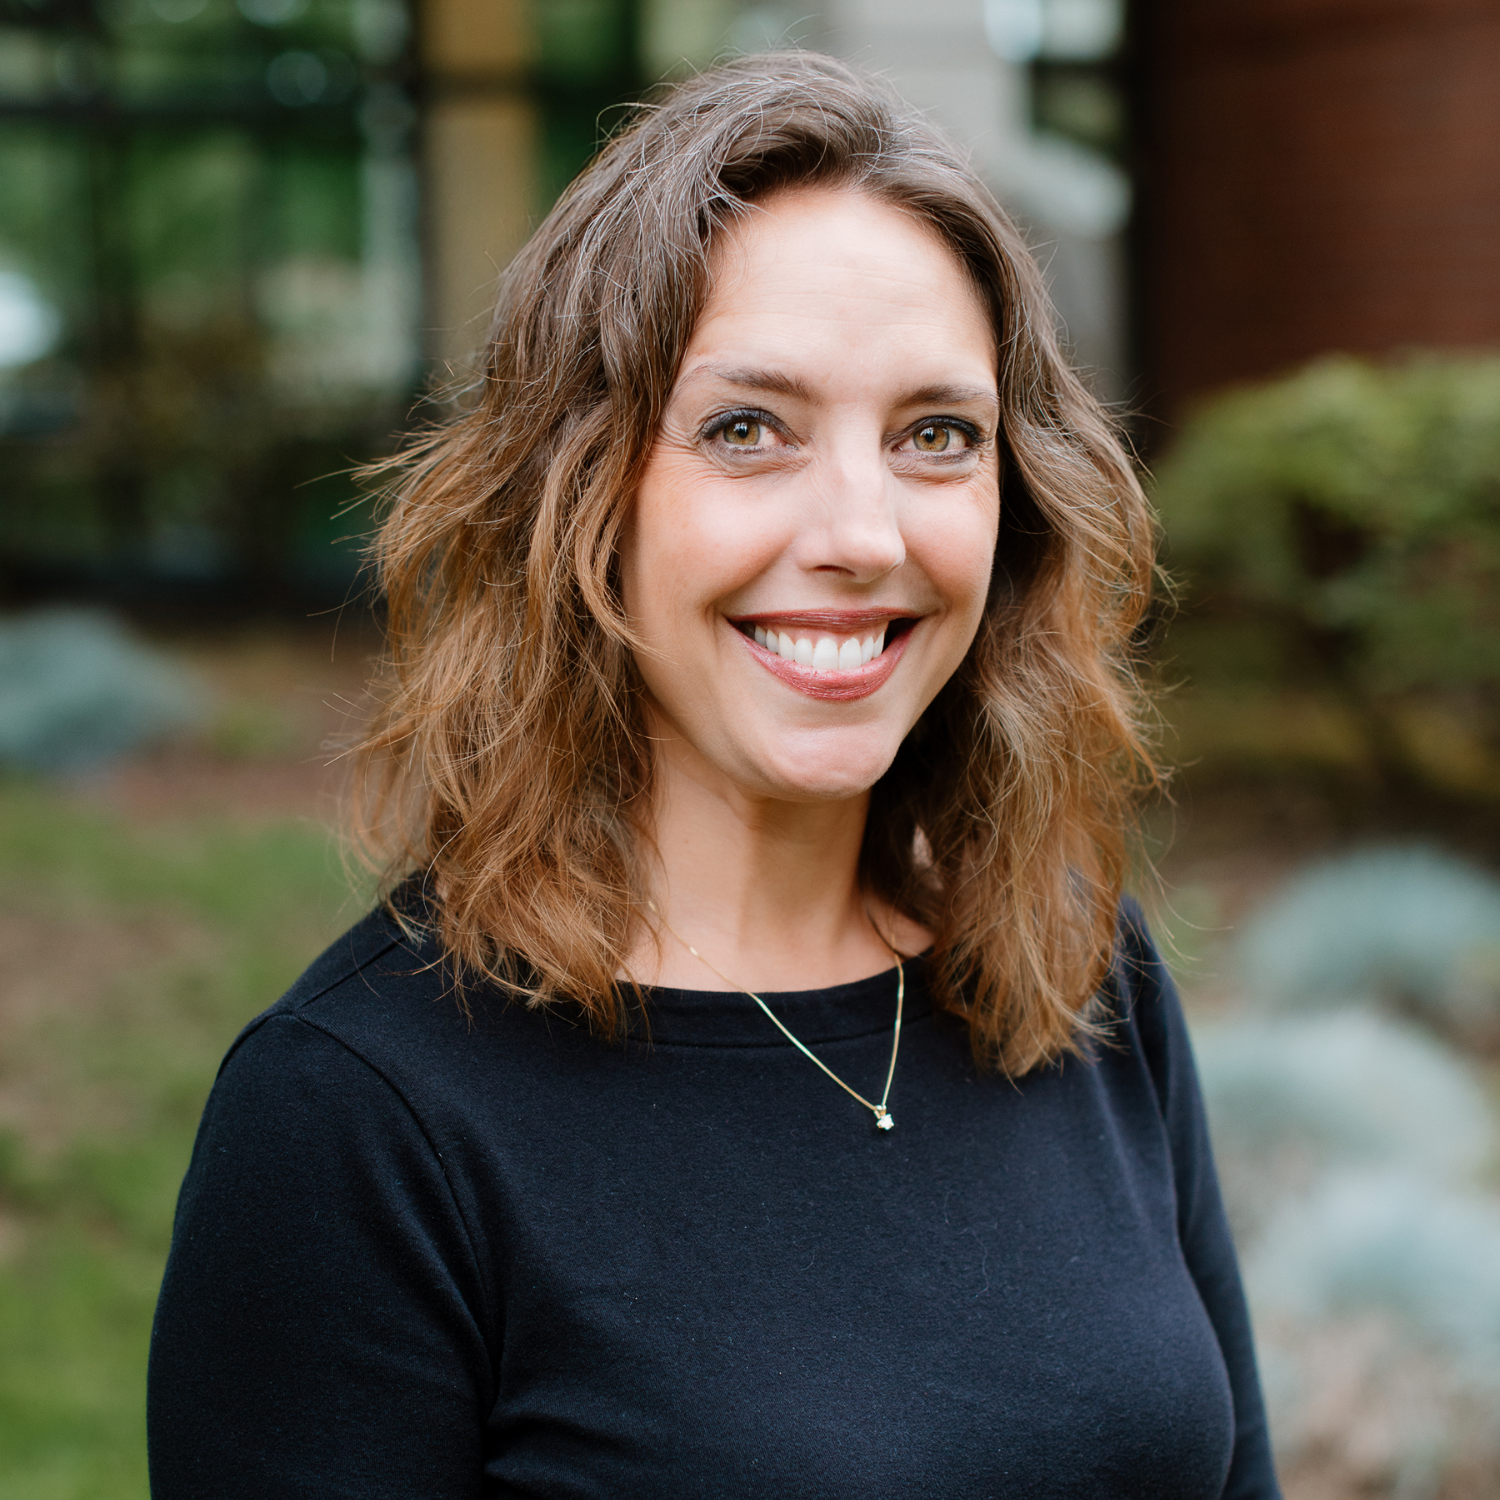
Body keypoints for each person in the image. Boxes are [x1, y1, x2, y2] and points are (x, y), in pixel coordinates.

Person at [147, 52, 1280, 1499]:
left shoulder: (1077, 971)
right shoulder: (357, 1123)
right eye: (748, 428)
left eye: (939, 435)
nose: (864, 532)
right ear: (577, 494)